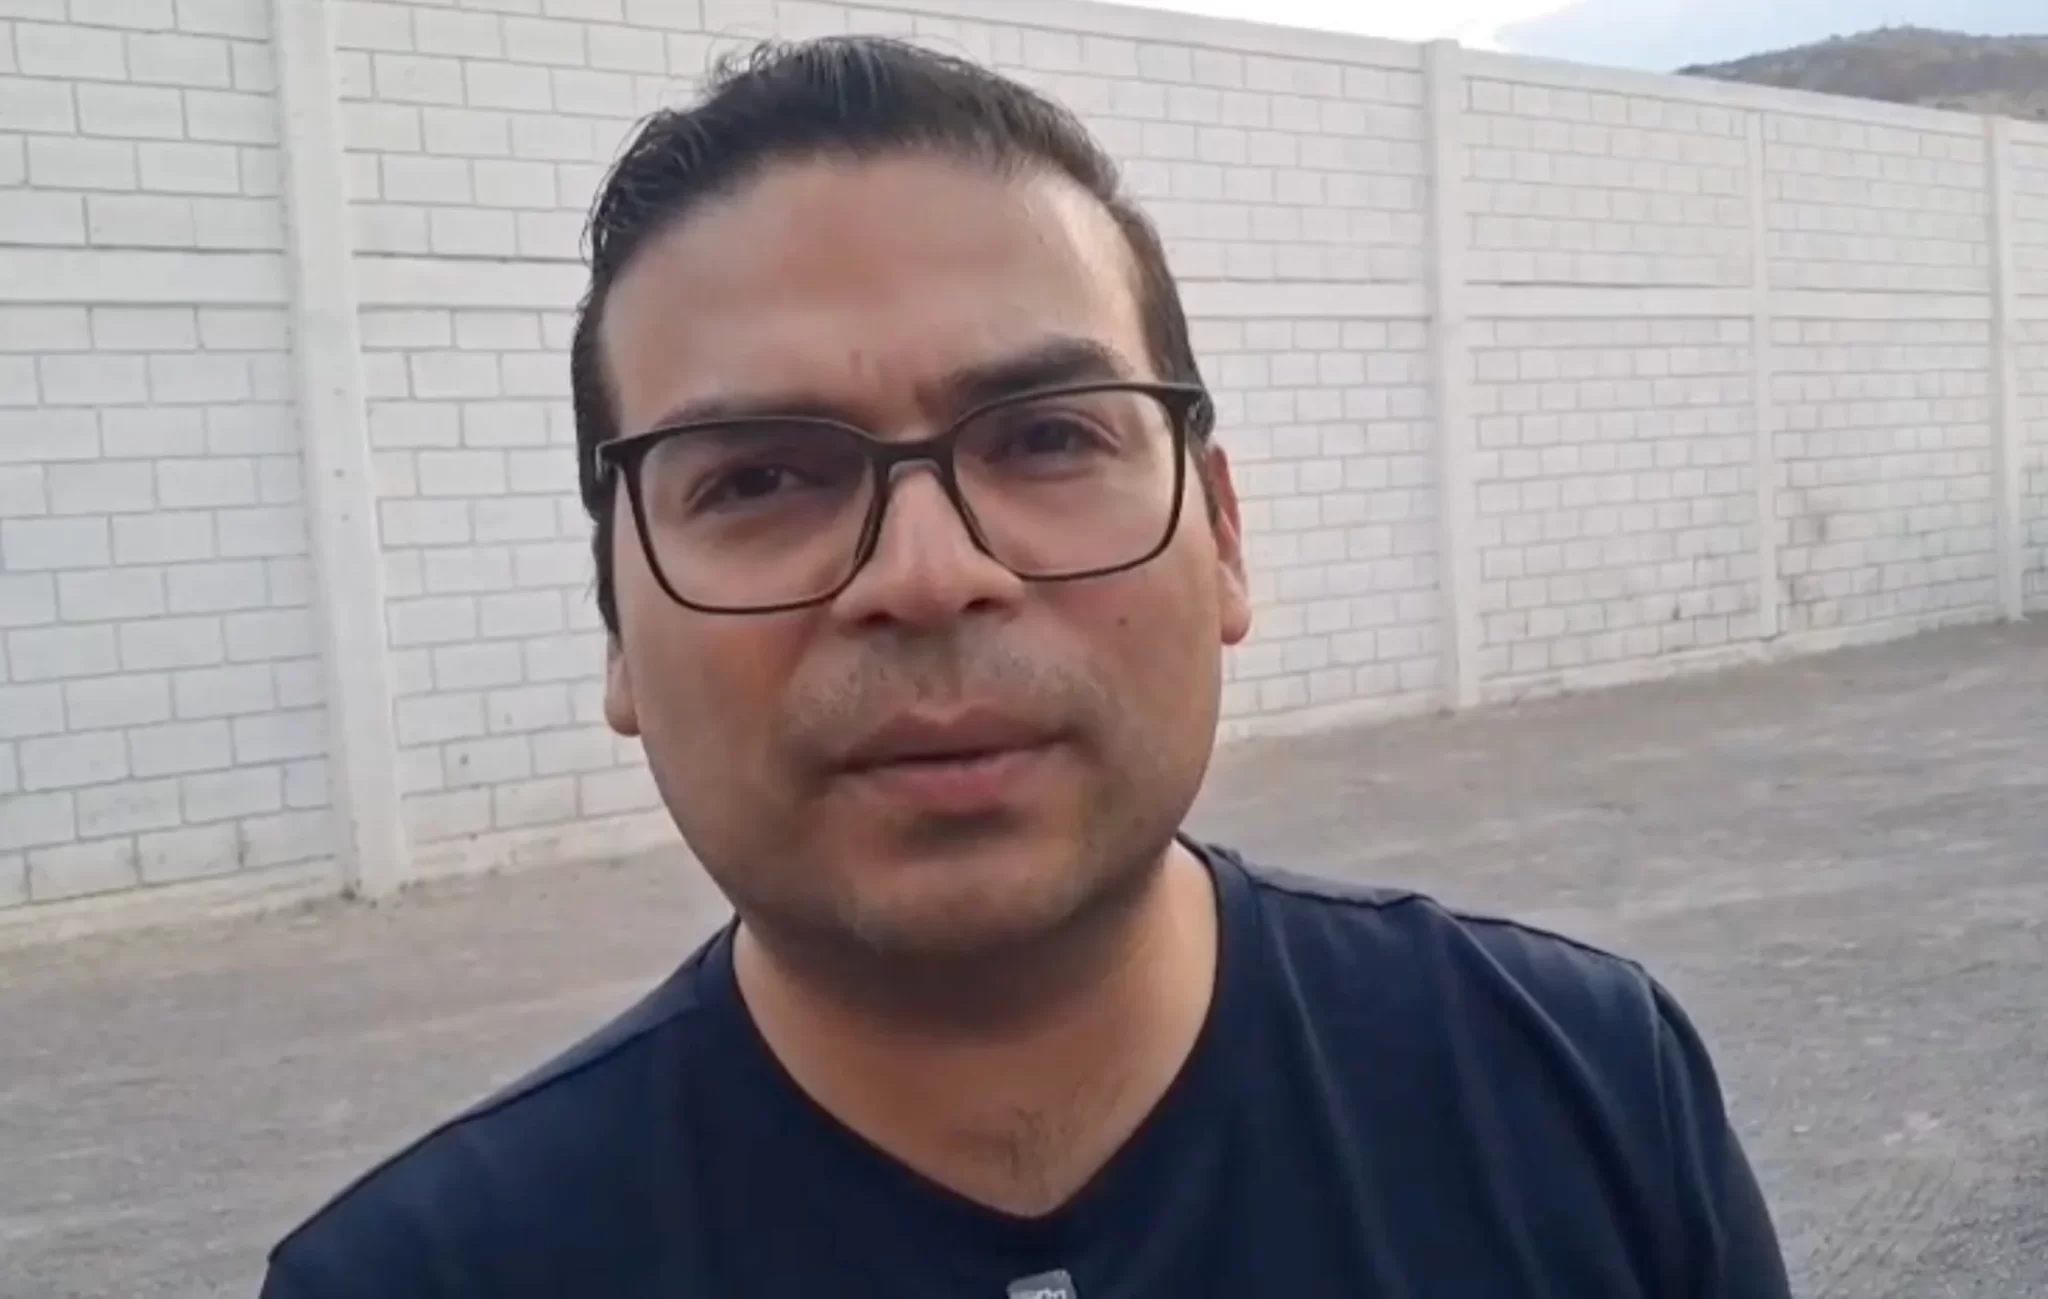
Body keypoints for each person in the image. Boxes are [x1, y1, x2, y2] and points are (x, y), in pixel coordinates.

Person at [260, 36, 1791, 1299]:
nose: (929, 575)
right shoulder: (422, 1278)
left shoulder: (1581, 1092)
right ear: (616, 626)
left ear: (1224, 534)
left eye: (1050, 438)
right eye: (763, 477)